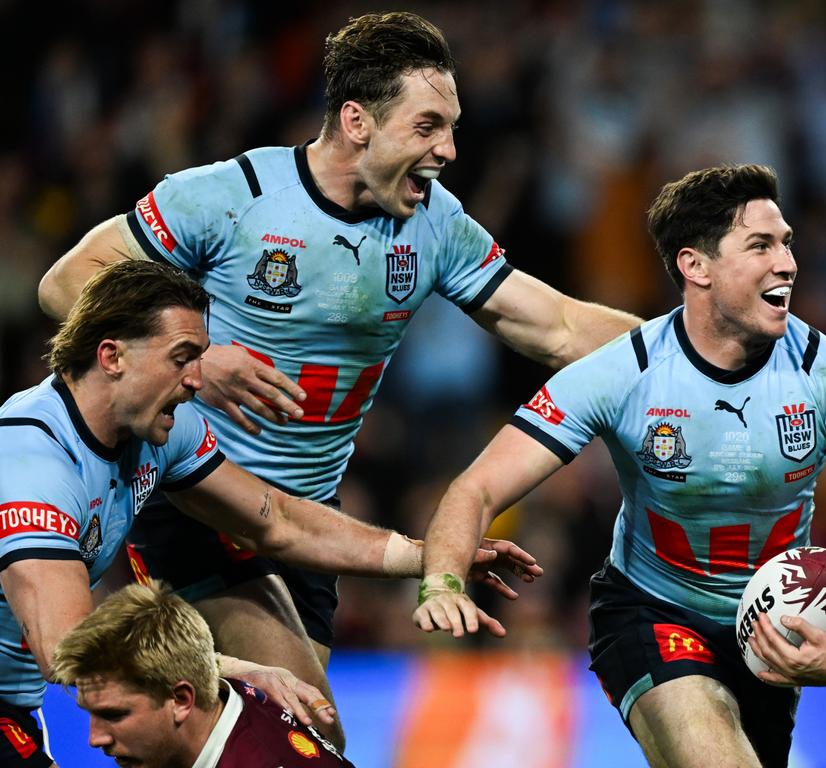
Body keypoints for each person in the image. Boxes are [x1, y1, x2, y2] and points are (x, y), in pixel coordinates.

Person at [36, 10, 639, 746]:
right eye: (427, 127)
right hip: (200, 504)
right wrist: (196, 358)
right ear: (357, 121)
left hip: (308, 529)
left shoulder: (435, 225)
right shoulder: (234, 195)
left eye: (451, 128)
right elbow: (68, 283)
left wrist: (695, 345)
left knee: (233, 741)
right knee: (306, 733)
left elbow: (561, 327)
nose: (448, 149)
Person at [412, 164, 826, 767]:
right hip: (649, 613)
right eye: (759, 245)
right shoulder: (625, 374)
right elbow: (476, 487)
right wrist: (442, 578)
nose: (786, 263)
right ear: (695, 266)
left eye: (786, 243)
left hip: (773, 637)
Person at [0, 260, 538, 766]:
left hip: (17, 705)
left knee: (300, 728)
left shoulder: (160, 428)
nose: (196, 381)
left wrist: (428, 558)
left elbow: (275, 520)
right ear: (112, 356)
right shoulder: (31, 463)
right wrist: (241, 671)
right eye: (182, 357)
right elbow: (69, 650)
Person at [52, 581, 352, 767]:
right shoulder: (220, 698)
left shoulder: (257, 759)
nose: (95, 738)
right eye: (90, 712)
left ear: (181, 699)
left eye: (114, 714)